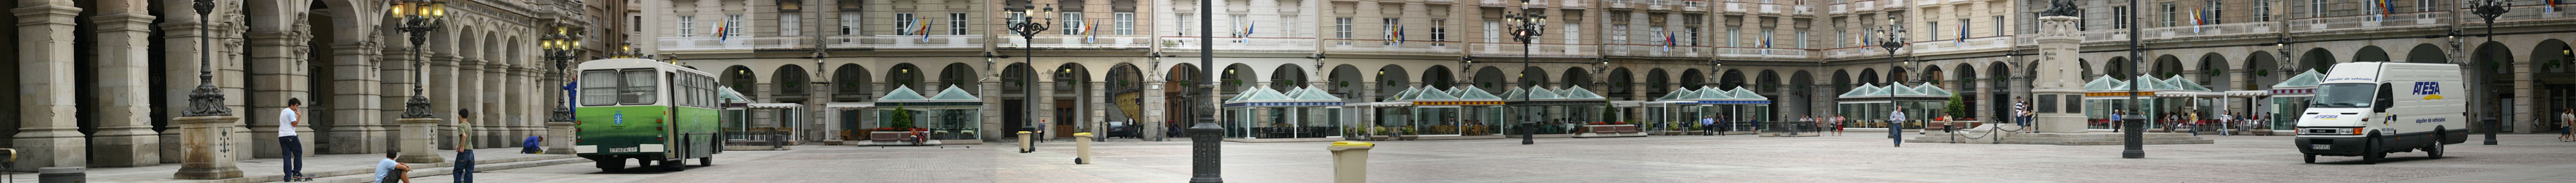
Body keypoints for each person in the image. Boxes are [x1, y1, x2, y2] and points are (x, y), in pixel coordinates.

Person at [281, 98, 308, 180]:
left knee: (287, 156)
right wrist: (299, 116)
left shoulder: (283, 111)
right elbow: (294, 124)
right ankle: (296, 172)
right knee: (298, 152)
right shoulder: (291, 112)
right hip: (290, 136)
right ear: (291, 105)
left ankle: (287, 177)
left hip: (281, 136)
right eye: (296, 106)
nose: (297, 108)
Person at [454, 109, 475, 183]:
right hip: (471, 152)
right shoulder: (469, 125)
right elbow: (466, 137)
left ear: (460, 115)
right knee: (469, 172)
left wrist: (462, 147)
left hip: (464, 152)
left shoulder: (460, 126)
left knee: (457, 171)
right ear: (468, 116)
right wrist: (458, 145)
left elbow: (464, 136)